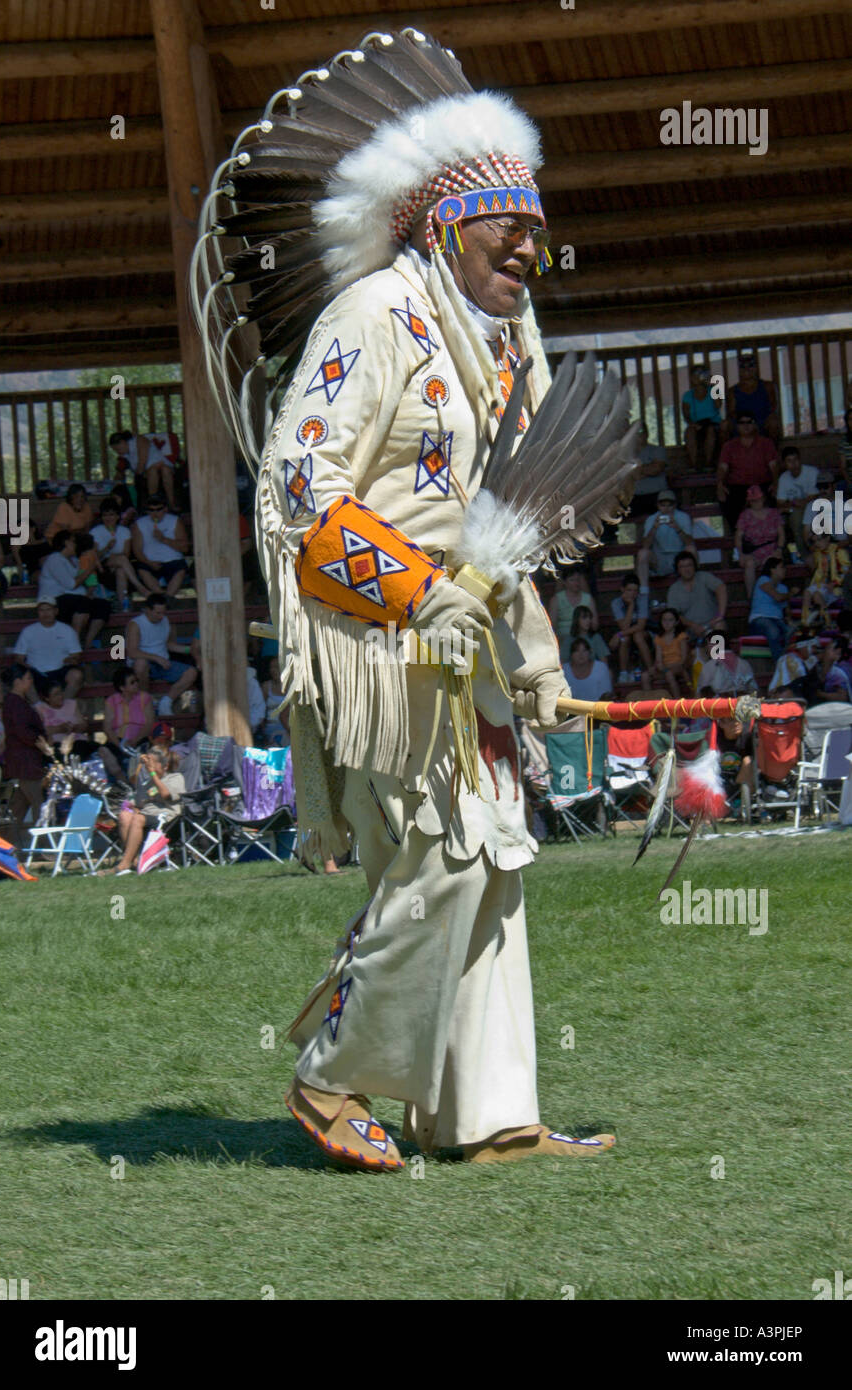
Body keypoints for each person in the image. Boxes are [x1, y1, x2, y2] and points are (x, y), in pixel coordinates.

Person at [244, 49, 616, 1170]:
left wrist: (536, 663)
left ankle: (483, 1114)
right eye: (501, 225)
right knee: (439, 860)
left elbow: (503, 525)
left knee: (492, 862)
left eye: (535, 231)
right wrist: (416, 593)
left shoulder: (503, 350)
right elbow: (297, 489)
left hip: (478, 655)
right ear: (437, 227)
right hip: (386, 653)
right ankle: (333, 1075)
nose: (525, 248)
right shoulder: (374, 314)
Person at [112, 746, 184, 874]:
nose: (148, 766)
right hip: (147, 816)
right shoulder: (147, 783)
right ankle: (134, 860)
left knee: (138, 819)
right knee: (125, 816)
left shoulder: (175, 777)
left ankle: (125, 863)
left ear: (165, 766)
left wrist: (153, 774)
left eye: (152, 763)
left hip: (167, 818)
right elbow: (139, 803)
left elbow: (166, 795)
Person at [125, 594, 198, 717]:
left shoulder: (165, 621)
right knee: (140, 663)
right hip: (146, 663)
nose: (161, 616)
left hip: (163, 662)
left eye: (163, 612)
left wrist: (189, 649)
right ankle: (144, 703)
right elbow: (132, 652)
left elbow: (169, 644)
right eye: (158, 613)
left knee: (191, 672)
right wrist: (156, 658)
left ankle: (166, 702)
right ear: (148, 610)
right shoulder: (135, 624)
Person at [37, 531, 110, 647]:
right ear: (66, 543)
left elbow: (84, 580)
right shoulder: (55, 559)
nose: (76, 544)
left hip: (76, 598)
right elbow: (71, 584)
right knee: (83, 603)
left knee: (103, 605)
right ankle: (73, 644)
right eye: (74, 541)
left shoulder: (75, 560)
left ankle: (88, 642)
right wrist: (90, 568)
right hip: (55, 600)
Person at [1, 663, 51, 825]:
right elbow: (22, 731)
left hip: (24, 759)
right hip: (26, 761)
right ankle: (42, 843)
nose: (31, 682)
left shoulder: (17, 702)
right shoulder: (15, 703)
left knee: (19, 806)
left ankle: (6, 842)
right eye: (28, 678)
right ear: (18, 681)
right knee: (39, 803)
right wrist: (40, 743)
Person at [716, 410, 779, 532]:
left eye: (749, 422)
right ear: (737, 426)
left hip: (762, 485)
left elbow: (774, 466)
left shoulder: (766, 443)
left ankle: (771, 537)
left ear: (755, 425)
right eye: (741, 423)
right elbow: (722, 467)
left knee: (773, 496)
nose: (745, 425)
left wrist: (776, 483)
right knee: (726, 498)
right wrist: (719, 484)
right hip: (738, 487)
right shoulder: (729, 446)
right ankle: (740, 536)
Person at [11, 597, 84, 700]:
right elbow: (19, 657)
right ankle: (39, 707)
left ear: (56, 611)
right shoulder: (28, 631)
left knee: (76, 675)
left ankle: (65, 706)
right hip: (36, 672)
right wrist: (26, 666)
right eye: (42, 610)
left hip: (60, 671)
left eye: (48, 609)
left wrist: (70, 660)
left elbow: (76, 655)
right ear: (38, 612)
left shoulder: (67, 630)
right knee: (23, 676)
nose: (45, 613)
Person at [90, 496, 146, 608]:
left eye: (111, 514)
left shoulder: (124, 531)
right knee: (121, 560)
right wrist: (107, 548)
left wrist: (115, 557)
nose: (108, 518)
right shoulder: (96, 532)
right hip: (102, 568)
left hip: (121, 567)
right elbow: (94, 556)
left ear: (117, 516)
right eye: (105, 515)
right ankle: (140, 587)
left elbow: (126, 554)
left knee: (121, 569)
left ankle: (123, 604)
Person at [131, 495, 190, 598]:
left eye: (158, 509)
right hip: (149, 561)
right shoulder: (139, 524)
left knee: (181, 568)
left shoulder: (175, 521)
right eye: (151, 510)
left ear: (165, 509)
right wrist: (148, 562)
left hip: (173, 560)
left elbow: (185, 547)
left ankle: (168, 598)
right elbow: (137, 550)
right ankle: (161, 597)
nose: (155, 513)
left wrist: (163, 539)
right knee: (141, 569)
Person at [734, 484, 784, 597]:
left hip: (772, 550)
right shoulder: (745, 515)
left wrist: (779, 549)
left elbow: (781, 534)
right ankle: (751, 596)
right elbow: (738, 537)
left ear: (763, 499)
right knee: (750, 564)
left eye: (757, 500)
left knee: (773, 564)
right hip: (753, 551)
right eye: (752, 501)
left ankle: (775, 595)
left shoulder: (774, 513)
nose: (755, 503)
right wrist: (741, 554)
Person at [636, 489, 693, 588]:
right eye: (663, 505)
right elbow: (645, 545)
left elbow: (689, 543)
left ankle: (694, 585)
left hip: (680, 558)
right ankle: (643, 592)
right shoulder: (652, 519)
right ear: (658, 505)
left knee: (691, 549)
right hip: (659, 559)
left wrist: (677, 528)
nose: (666, 508)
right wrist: (654, 528)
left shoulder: (683, 517)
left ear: (674, 505)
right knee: (642, 553)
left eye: (669, 505)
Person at [667, 550, 728, 643]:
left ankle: (717, 657)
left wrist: (720, 615)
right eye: (682, 566)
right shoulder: (674, 589)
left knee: (719, 625)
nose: (686, 569)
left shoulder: (704, 577)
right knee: (674, 636)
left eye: (689, 565)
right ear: (678, 570)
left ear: (694, 566)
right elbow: (674, 614)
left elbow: (721, 588)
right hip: (689, 630)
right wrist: (693, 625)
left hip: (711, 625)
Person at [102, 666, 156, 769]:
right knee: (104, 751)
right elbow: (107, 728)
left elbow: (149, 723)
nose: (137, 684)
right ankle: (121, 779)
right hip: (118, 741)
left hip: (141, 738)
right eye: (132, 682)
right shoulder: (111, 701)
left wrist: (135, 740)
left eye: (136, 681)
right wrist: (120, 745)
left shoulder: (144, 698)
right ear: (122, 688)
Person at [722, 351, 780, 443]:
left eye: (750, 365)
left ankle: (772, 454)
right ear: (739, 370)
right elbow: (731, 413)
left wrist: (759, 422)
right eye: (743, 366)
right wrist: (747, 423)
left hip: (762, 421)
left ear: (756, 368)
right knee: (724, 425)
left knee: (773, 423)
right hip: (742, 423)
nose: (747, 369)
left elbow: (773, 407)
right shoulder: (733, 391)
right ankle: (727, 455)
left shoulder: (767, 386)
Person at [110, 430, 178, 510]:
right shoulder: (125, 456)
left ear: (122, 442)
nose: (118, 452)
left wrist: (141, 470)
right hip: (148, 470)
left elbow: (142, 461)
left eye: (117, 449)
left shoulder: (139, 440)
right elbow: (130, 471)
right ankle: (153, 502)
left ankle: (171, 503)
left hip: (159, 464)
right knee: (153, 471)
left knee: (164, 469)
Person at [33, 675, 96, 759]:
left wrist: (74, 728)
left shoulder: (71, 704)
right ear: (47, 698)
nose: (61, 696)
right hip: (56, 745)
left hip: (77, 742)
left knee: (83, 748)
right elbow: (39, 731)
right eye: (56, 694)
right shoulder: (40, 708)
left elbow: (84, 725)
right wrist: (59, 728)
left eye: (61, 692)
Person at [776, 446, 819, 559]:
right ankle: (805, 556)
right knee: (795, 519)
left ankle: (817, 553)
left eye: (795, 459)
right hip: (796, 509)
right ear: (784, 463)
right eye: (789, 461)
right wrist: (794, 503)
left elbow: (815, 495)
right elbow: (780, 502)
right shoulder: (783, 478)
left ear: (800, 459)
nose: (793, 464)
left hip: (815, 507)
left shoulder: (812, 472)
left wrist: (800, 502)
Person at [607, 572, 652, 681]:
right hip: (627, 632)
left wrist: (618, 634)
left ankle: (651, 669)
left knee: (637, 636)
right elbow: (624, 627)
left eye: (635, 591)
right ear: (622, 589)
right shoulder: (616, 603)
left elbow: (641, 625)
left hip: (645, 631)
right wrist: (631, 606)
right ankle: (623, 673)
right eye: (629, 590)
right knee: (625, 638)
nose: (632, 594)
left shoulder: (642, 599)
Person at [800, 532, 850, 627]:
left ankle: (827, 621)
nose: (817, 544)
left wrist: (835, 583)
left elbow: (846, 571)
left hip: (836, 587)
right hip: (821, 584)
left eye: (819, 540)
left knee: (817, 595)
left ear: (827, 538)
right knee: (807, 592)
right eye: (814, 541)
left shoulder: (839, 551)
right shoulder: (818, 554)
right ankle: (805, 621)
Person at [748, 555, 788, 661]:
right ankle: (780, 664)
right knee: (773, 631)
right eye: (782, 567)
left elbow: (786, 611)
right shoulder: (763, 580)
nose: (785, 570)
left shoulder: (783, 588)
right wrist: (792, 594)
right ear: (772, 569)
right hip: (760, 619)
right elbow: (778, 597)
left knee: (789, 633)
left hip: (777, 620)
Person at [547, 564, 597, 648]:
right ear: (564, 582)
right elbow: (552, 626)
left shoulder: (588, 599)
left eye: (577, 580)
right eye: (572, 580)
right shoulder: (556, 600)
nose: (576, 583)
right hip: (562, 638)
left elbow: (595, 625)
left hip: (584, 636)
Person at [628, 420, 670, 519]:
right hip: (633, 498)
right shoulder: (625, 454)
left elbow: (656, 469)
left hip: (656, 497)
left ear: (647, 433)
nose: (638, 435)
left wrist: (634, 470)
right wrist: (646, 469)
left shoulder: (657, 450)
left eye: (641, 431)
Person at [681, 364, 721, 468]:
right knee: (689, 432)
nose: (699, 377)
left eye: (701, 374)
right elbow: (686, 415)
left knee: (711, 431)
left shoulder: (713, 390)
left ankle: (708, 463)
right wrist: (692, 424)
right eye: (696, 374)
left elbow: (718, 405)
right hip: (697, 424)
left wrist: (712, 385)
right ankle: (694, 464)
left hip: (713, 423)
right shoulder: (687, 395)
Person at [644, 607, 689, 698]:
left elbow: (684, 658)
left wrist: (666, 667)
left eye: (670, 620)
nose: (667, 623)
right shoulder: (659, 638)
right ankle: (649, 703)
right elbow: (658, 659)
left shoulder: (681, 636)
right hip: (665, 667)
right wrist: (658, 666)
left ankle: (677, 701)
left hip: (678, 666)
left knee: (669, 674)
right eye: (664, 620)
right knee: (645, 675)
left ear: (676, 622)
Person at [563, 636, 614, 701]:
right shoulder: (564, 670)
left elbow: (606, 696)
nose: (581, 654)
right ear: (571, 654)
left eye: (584, 651)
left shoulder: (601, 668)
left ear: (589, 652)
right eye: (577, 651)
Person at [261, 656, 290, 748]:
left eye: (276, 667)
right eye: (271, 667)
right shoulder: (266, 686)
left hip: (288, 728)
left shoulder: (291, 687)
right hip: (271, 728)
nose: (273, 670)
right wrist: (262, 731)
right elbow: (261, 710)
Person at [813, 635, 852, 704]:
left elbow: (843, 697)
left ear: (837, 652)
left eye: (828, 648)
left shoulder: (840, 671)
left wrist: (821, 694)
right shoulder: (820, 666)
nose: (824, 651)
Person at [837, 406, 852, 490]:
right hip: (850, 481)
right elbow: (843, 467)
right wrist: (849, 482)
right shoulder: (844, 442)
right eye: (850, 419)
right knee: (839, 488)